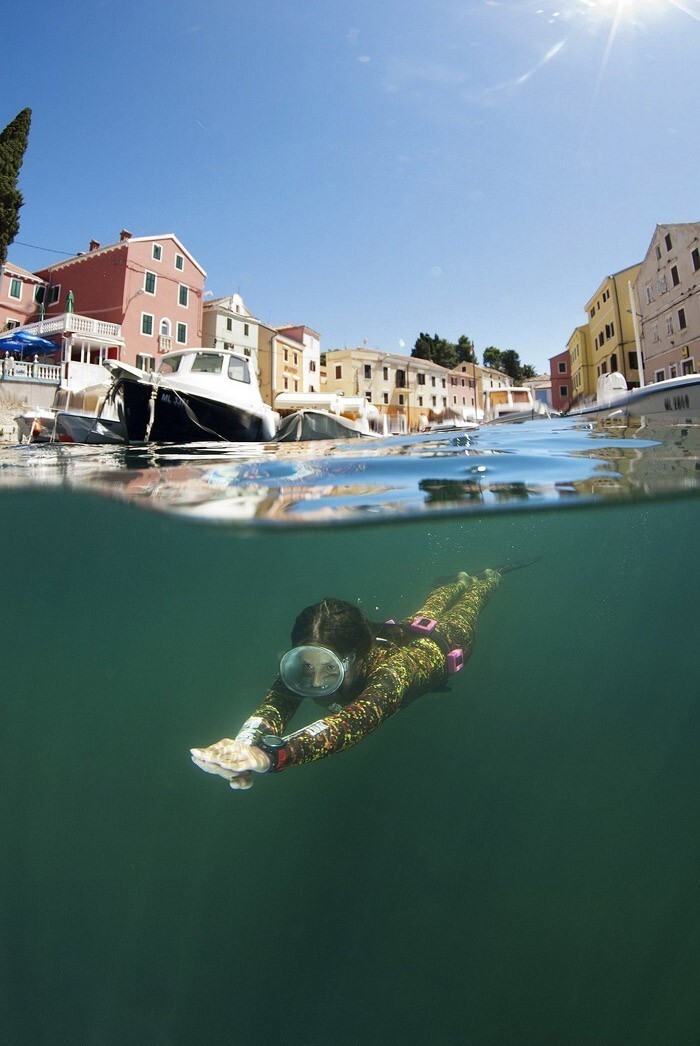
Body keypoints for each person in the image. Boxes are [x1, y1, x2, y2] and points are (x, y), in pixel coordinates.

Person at [191, 564, 530, 790]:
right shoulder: (307, 665)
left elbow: (352, 722)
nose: (313, 682)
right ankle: (458, 580)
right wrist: (243, 746)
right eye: (303, 664)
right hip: (411, 628)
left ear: (352, 660)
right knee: (432, 604)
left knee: (472, 600)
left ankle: (486, 578)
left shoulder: (392, 676)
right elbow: (276, 704)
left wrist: (271, 757)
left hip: (449, 641)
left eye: (329, 670)